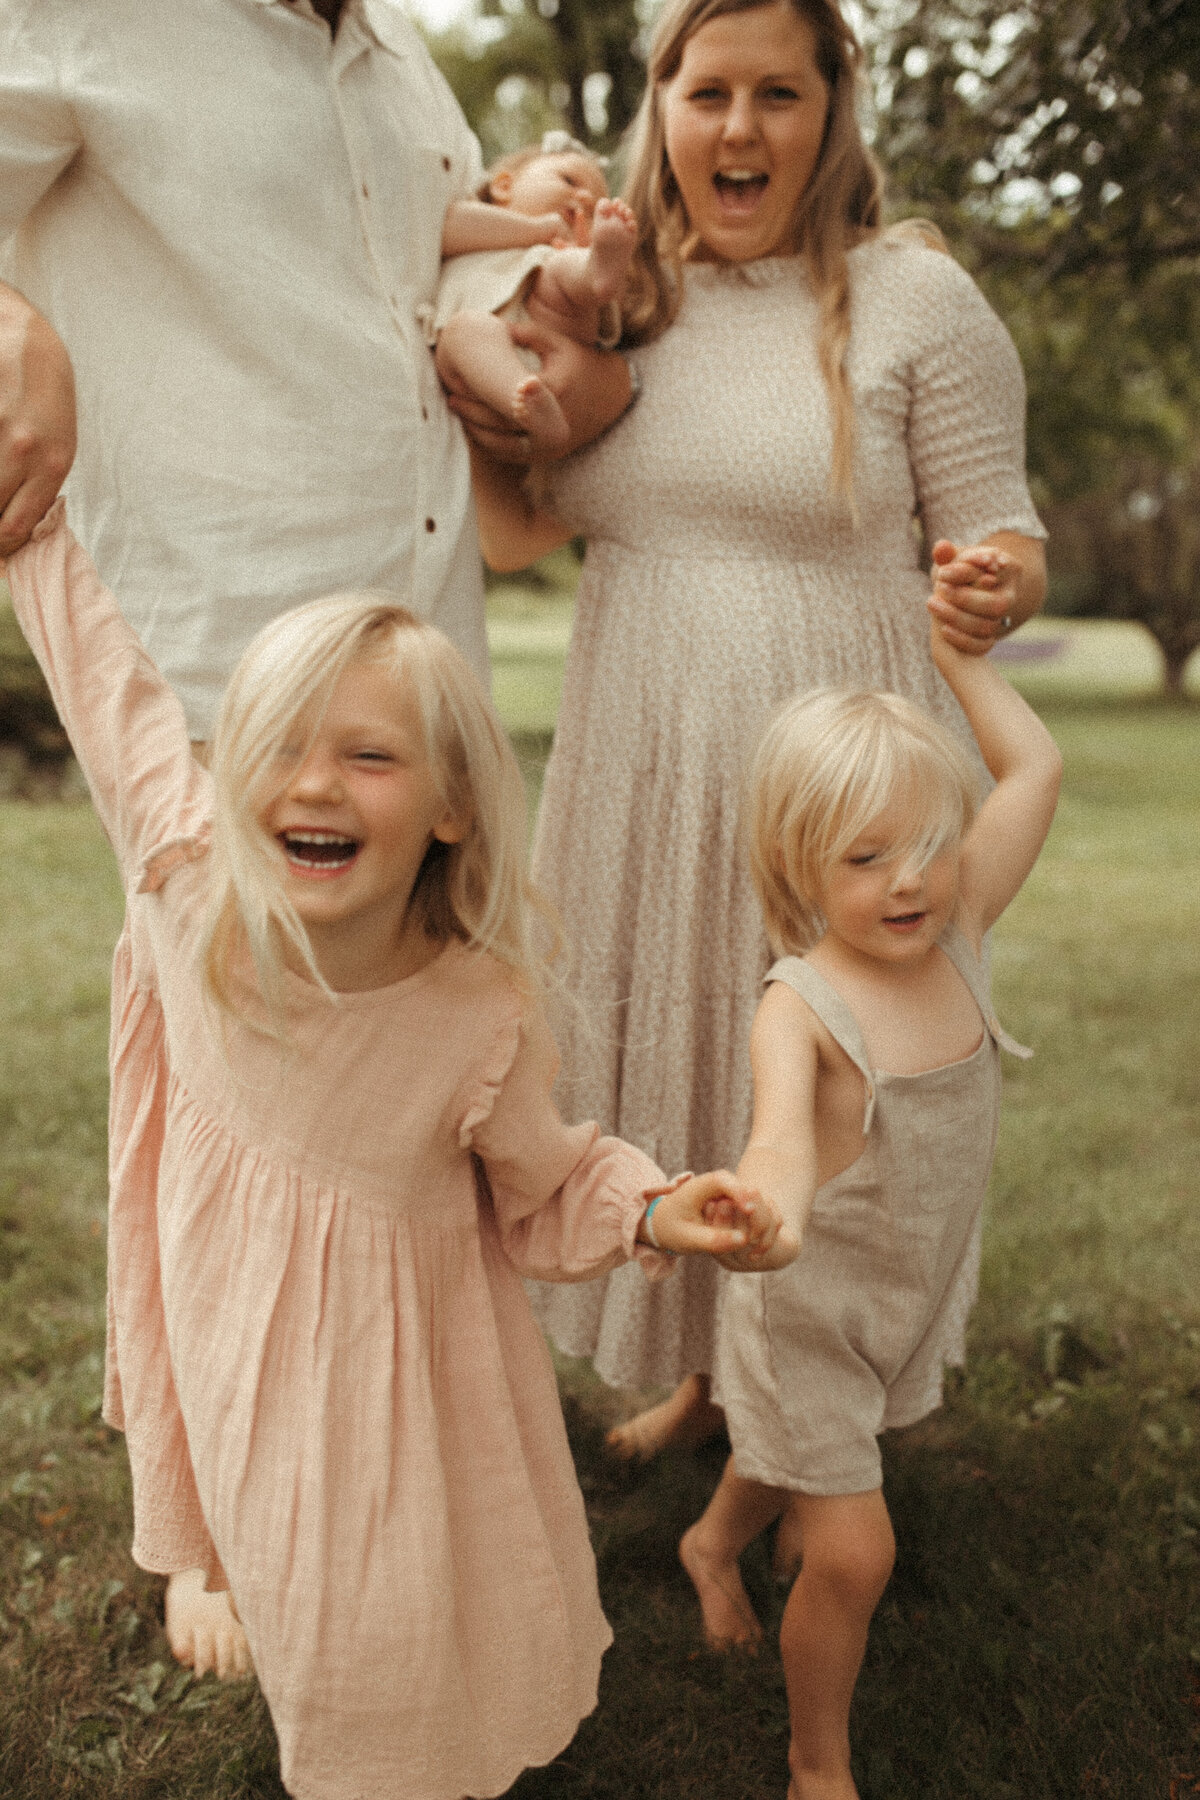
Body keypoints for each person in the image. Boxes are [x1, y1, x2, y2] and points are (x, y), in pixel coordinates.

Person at [1, 501, 784, 1800]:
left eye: (367, 757)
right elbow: (104, 681)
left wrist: (652, 1210)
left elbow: (548, 1181)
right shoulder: (186, 875)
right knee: (250, 1523)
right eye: (282, 749)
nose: (312, 784)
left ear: (453, 812)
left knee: (375, 1619)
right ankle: (207, 1567)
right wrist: (25, 510)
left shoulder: (474, 1012)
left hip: (389, 1381)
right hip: (218, 1308)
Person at [471, 0, 1049, 1462]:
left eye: (779, 95)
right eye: (709, 91)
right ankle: (708, 1369)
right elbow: (516, 536)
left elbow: (1006, 535)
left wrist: (995, 583)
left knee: (834, 1089)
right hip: (646, 765)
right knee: (672, 1067)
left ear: (833, 106)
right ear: (659, 106)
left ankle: (814, 1393)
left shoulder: (916, 303)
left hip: (840, 785)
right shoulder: (615, 304)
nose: (741, 129)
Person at [0, 0, 632, 735]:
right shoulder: (74, 16)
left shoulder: (401, 52)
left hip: (436, 670)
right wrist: (18, 330)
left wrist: (579, 379)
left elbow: (469, 278)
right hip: (215, 677)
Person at [681, 588, 1062, 1799]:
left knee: (798, 1450)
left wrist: (964, 662)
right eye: (865, 858)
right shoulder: (802, 1002)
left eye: (929, 846)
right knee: (852, 1551)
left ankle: (706, 1542)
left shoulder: (961, 929)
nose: (911, 881)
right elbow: (781, 1139)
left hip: (901, 1297)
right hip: (810, 1306)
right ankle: (818, 1766)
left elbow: (1034, 766)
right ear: (801, 866)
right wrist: (766, 1210)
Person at [432, 135, 639, 453]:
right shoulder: (480, 221)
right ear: (503, 186)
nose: (585, 198)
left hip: (554, 327)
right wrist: (539, 229)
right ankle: (525, 397)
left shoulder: (552, 255)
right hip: (482, 368)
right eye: (569, 180)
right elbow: (445, 230)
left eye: (597, 205)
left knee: (561, 269)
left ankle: (597, 271)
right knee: (462, 331)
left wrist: (580, 251)